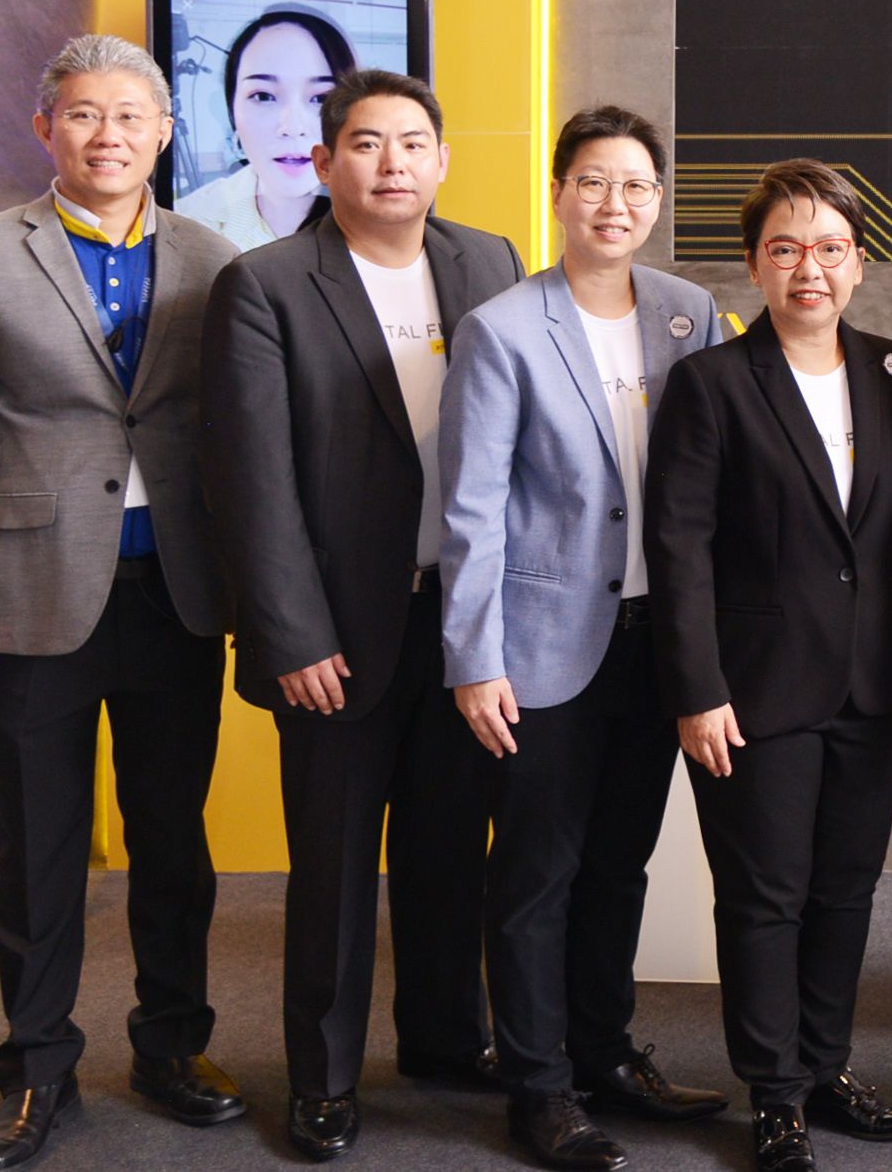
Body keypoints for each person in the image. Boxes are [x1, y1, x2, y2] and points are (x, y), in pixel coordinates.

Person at [0, 35, 246, 1171]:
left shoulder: (215, 258)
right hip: (28, 596)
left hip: (177, 594)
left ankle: (173, 1045)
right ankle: (37, 1073)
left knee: (172, 843)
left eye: (131, 117)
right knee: (42, 847)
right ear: (46, 127)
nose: (110, 136)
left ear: (164, 132)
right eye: (86, 115)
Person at [201, 68, 524, 1160]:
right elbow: (251, 481)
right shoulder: (266, 284)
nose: (393, 163)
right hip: (336, 633)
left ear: (442, 160)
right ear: (325, 160)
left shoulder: (489, 262)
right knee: (336, 870)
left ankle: (444, 1040)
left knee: (450, 848)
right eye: (368, 144)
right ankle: (325, 1077)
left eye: (413, 143)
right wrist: (291, 632)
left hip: (461, 623)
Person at [646, 160, 892, 1172]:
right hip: (754, 690)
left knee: (844, 890)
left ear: (859, 263)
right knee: (765, 896)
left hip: (872, 682)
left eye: (828, 247)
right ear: (754, 264)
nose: (808, 268)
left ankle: (825, 1068)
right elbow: (679, 549)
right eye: (785, 248)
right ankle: (774, 1094)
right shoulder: (712, 384)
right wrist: (697, 688)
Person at [438, 106, 727, 1171]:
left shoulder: (691, 313)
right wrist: (475, 658)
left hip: (655, 644)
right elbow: (470, 508)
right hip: (541, 647)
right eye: (595, 182)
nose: (616, 203)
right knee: (535, 875)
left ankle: (605, 1053)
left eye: (637, 185)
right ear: (559, 192)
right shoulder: (505, 327)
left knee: (619, 864)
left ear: (658, 199)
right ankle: (539, 1086)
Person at [174, 8, 357, 249]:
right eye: (263, 96)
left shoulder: (384, 217)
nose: (292, 127)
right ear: (232, 111)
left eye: (321, 98)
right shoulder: (189, 221)